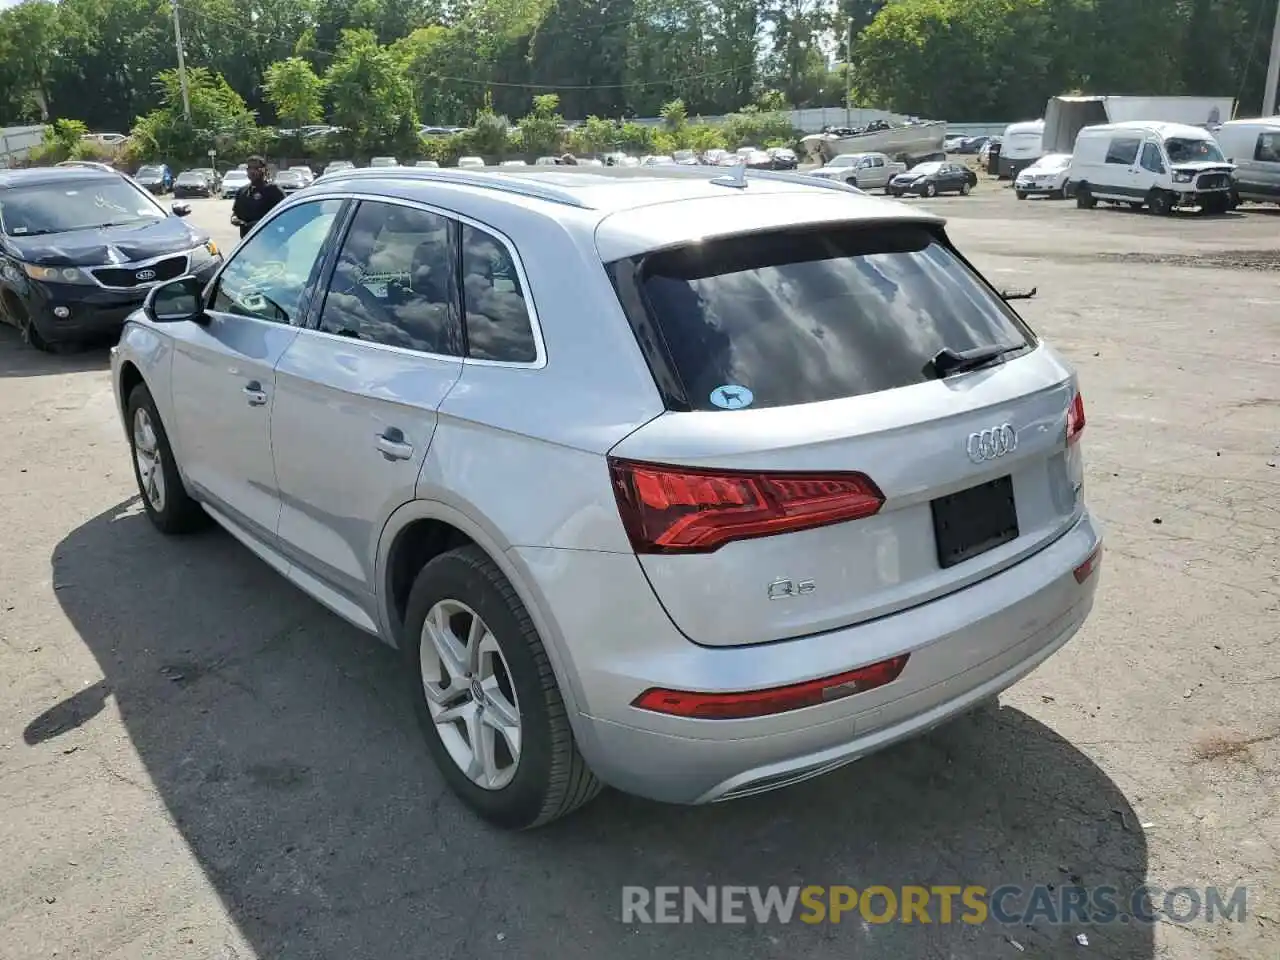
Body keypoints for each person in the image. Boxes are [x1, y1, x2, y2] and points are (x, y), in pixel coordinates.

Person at [230, 156, 285, 239]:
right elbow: (236, 213)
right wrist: (234, 219)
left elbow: (284, 216)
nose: (252, 171)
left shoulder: (274, 190)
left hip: (270, 241)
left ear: (264, 170)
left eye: (256, 168)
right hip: (248, 242)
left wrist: (259, 224)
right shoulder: (242, 191)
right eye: (249, 168)